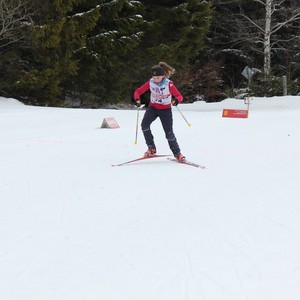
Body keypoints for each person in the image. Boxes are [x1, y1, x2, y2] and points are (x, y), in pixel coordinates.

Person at [133, 62, 185, 162]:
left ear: (163, 76)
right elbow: (138, 91)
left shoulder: (168, 84)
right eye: (154, 77)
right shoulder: (150, 82)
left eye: (158, 78)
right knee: (144, 126)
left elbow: (179, 96)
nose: (155, 80)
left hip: (165, 110)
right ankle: (151, 148)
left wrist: (176, 100)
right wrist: (137, 99)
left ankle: (177, 154)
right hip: (152, 108)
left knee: (169, 133)